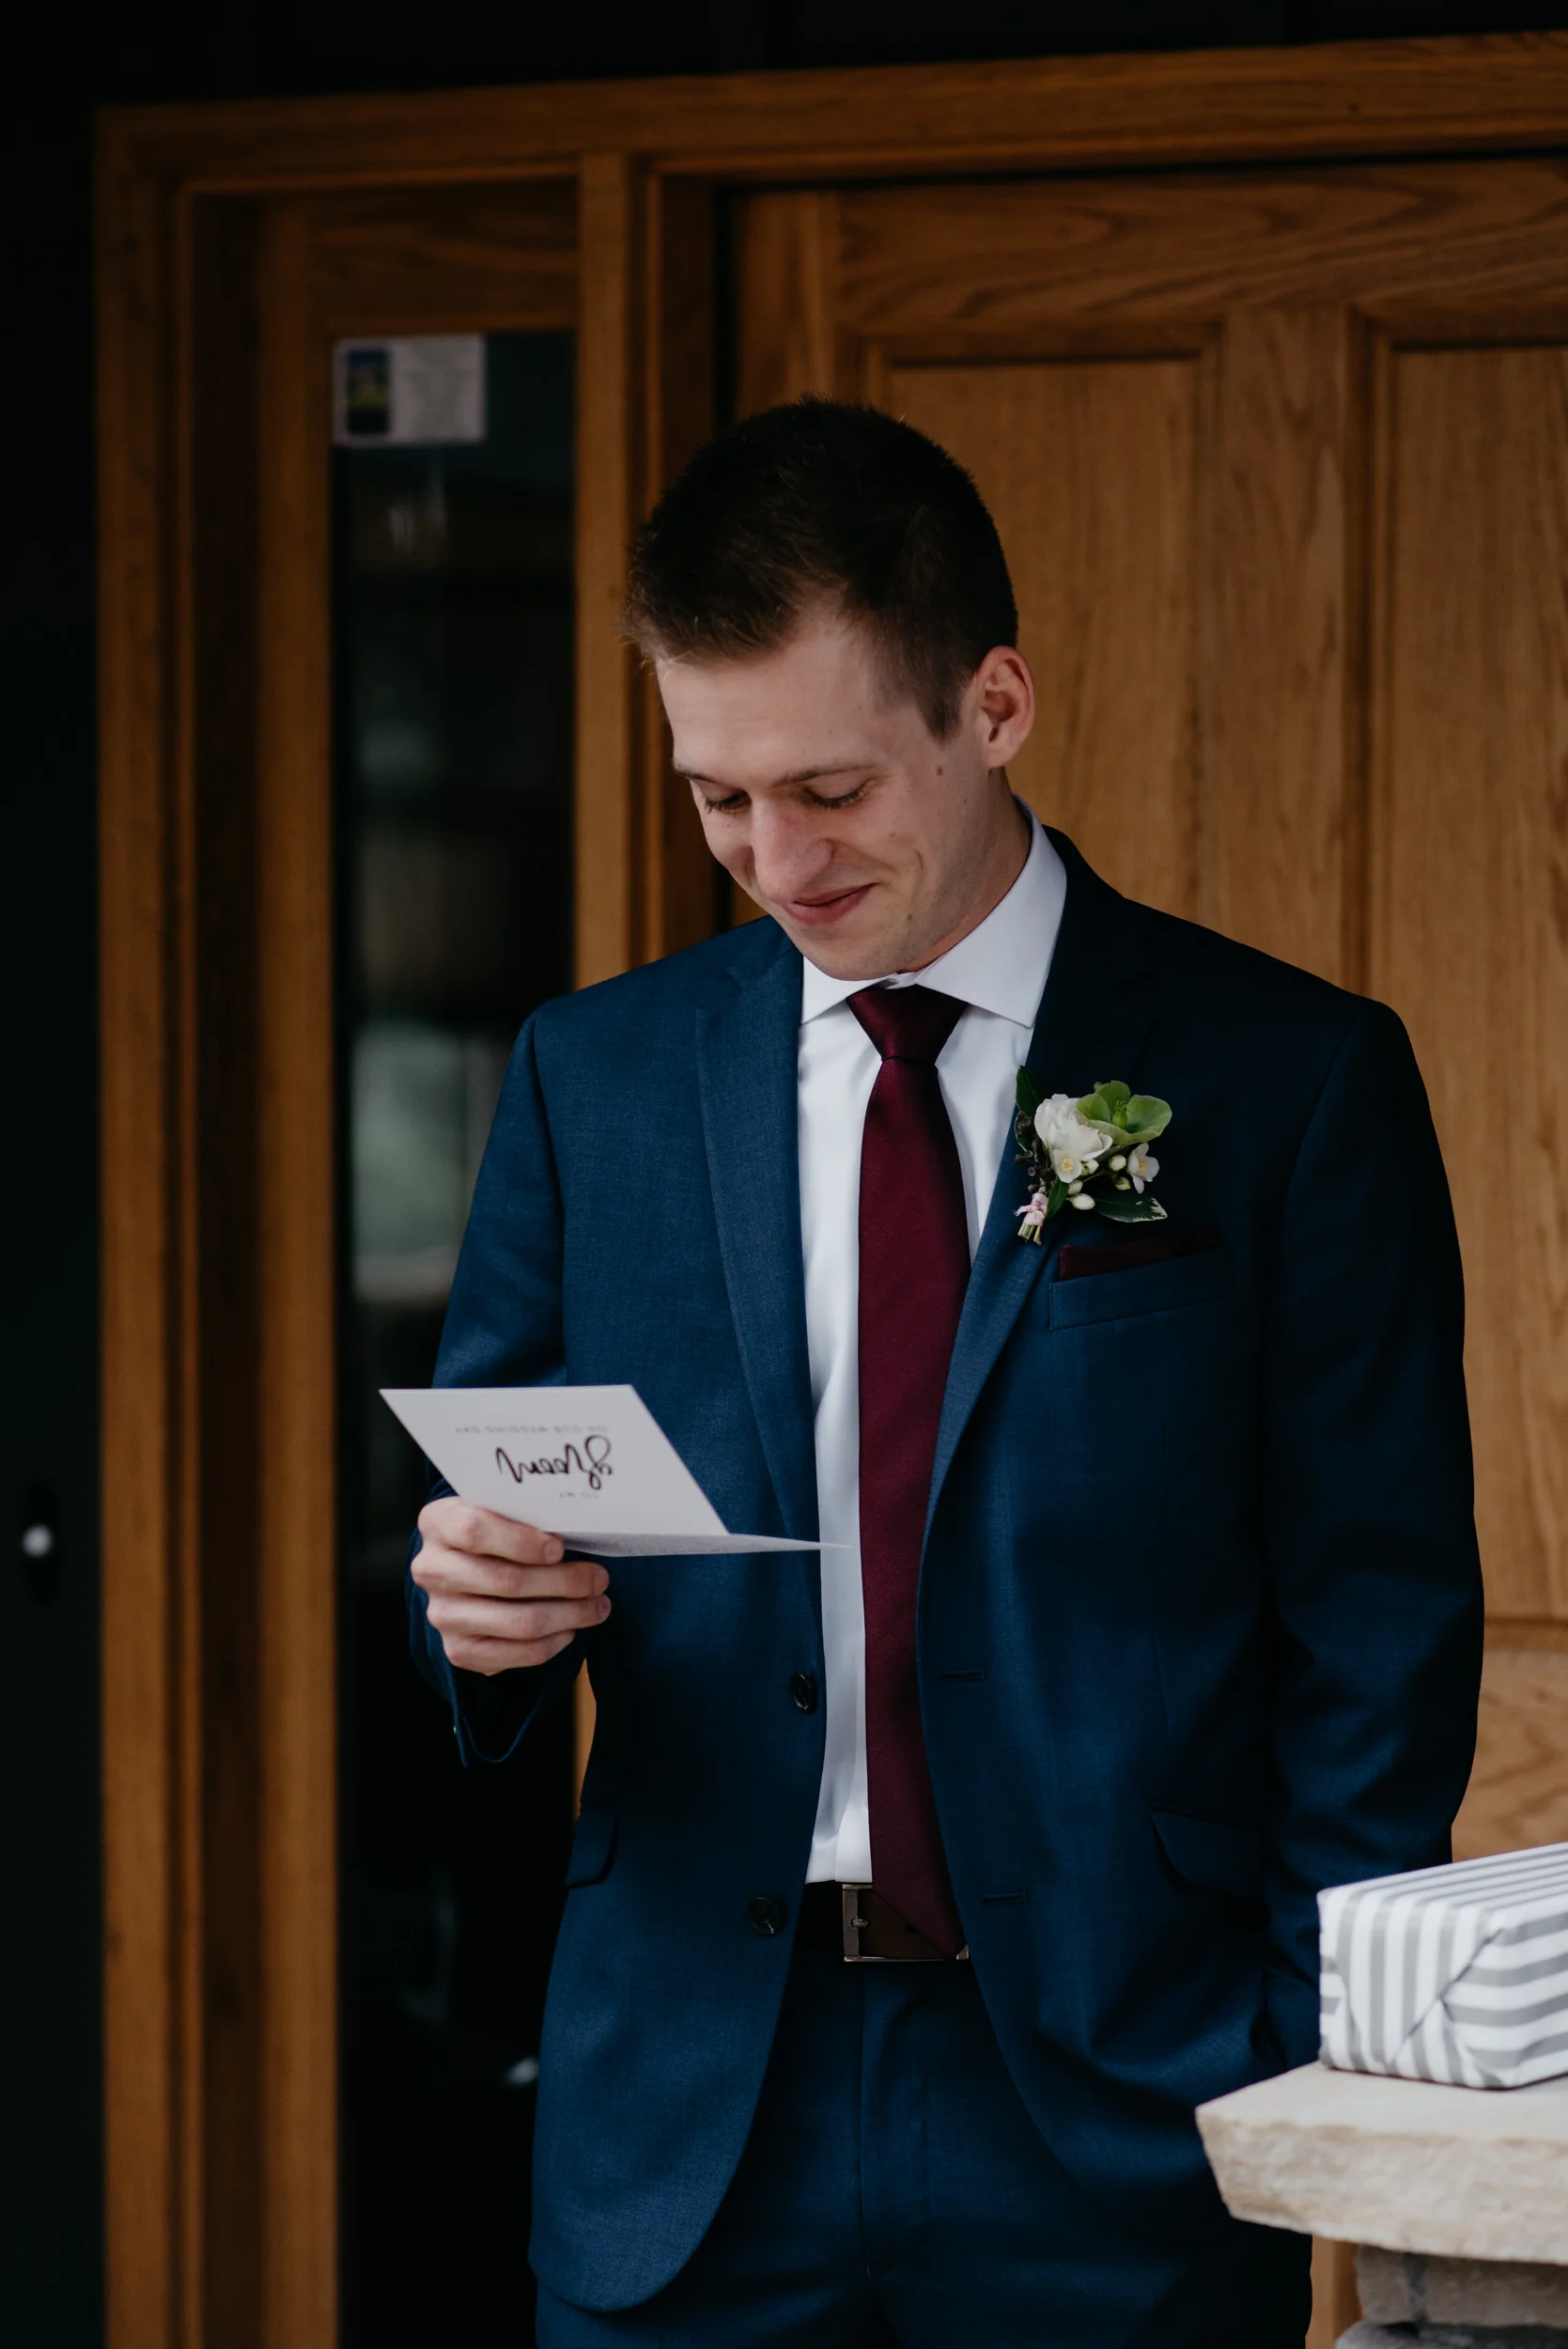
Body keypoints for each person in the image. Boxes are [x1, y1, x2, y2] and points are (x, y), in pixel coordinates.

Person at [407, 397, 1483, 2346]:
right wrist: (482, 1619)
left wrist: (1293, 2036)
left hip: (1122, 2097)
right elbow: (496, 1535)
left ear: (995, 705)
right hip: (690, 2112)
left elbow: (1379, 1605)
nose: (774, 858)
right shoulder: (596, 1075)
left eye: (830, 786)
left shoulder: (1288, 1077)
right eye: (720, 796)